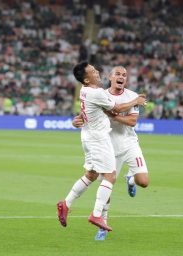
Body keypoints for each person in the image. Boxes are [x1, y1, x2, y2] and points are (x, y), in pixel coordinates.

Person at [57, 61, 146, 232]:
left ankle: (65, 204)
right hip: (98, 139)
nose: (97, 72)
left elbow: (90, 111)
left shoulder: (85, 91)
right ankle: (97, 214)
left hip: (88, 137)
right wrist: (137, 100)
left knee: (90, 175)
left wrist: (78, 119)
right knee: (110, 176)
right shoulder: (97, 93)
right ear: (86, 80)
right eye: (92, 71)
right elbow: (118, 108)